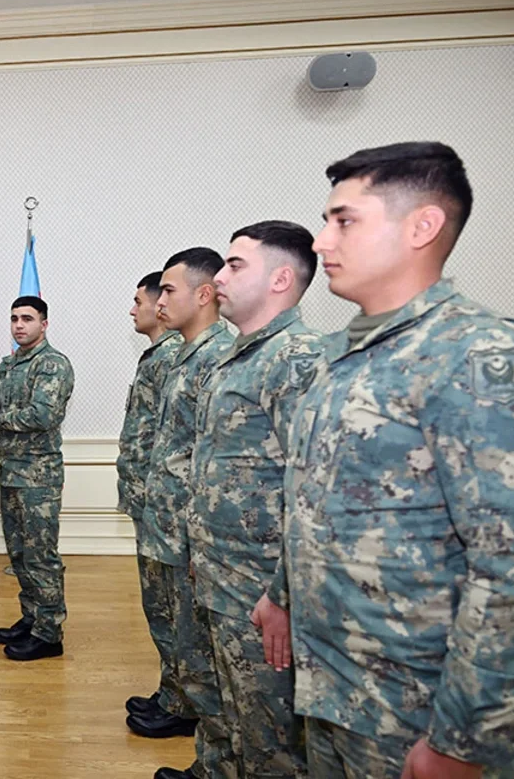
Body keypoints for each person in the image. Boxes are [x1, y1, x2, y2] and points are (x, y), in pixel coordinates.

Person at [286, 142, 514, 779]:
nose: (322, 240)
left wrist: (463, 740)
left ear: (422, 227)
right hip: (333, 686)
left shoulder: (475, 355)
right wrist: (281, 594)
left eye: (344, 221)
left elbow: (507, 565)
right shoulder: (342, 352)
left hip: (417, 709)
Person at [186, 221, 324, 779]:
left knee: (272, 747)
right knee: (233, 722)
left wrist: (284, 596)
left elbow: (312, 491)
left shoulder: (297, 358)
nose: (219, 277)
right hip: (223, 580)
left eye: (235, 265)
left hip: (262, 593)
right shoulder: (240, 356)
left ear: (281, 279)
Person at [129, 248, 234, 779]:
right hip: (167, 521)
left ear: (204, 293)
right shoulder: (188, 355)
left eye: (168, 290)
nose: (158, 300)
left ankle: (213, 759)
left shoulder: (219, 358)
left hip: (192, 532)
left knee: (201, 651)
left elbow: (212, 460)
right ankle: (187, 718)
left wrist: (198, 539)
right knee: (179, 636)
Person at [0, 296, 75, 661]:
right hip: (11, 473)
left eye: (27, 318)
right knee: (20, 554)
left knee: (41, 556)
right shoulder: (8, 365)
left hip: (39, 479)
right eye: (14, 319)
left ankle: (49, 634)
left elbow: (43, 415)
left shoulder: (53, 364)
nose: (19, 325)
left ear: (44, 324)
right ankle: (32, 618)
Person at [117, 271, 182, 709]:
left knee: (170, 609)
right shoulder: (158, 356)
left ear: (159, 306)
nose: (133, 309)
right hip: (149, 500)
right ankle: (172, 692)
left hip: (164, 504)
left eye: (138, 301)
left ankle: (178, 702)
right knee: (160, 606)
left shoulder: (172, 357)